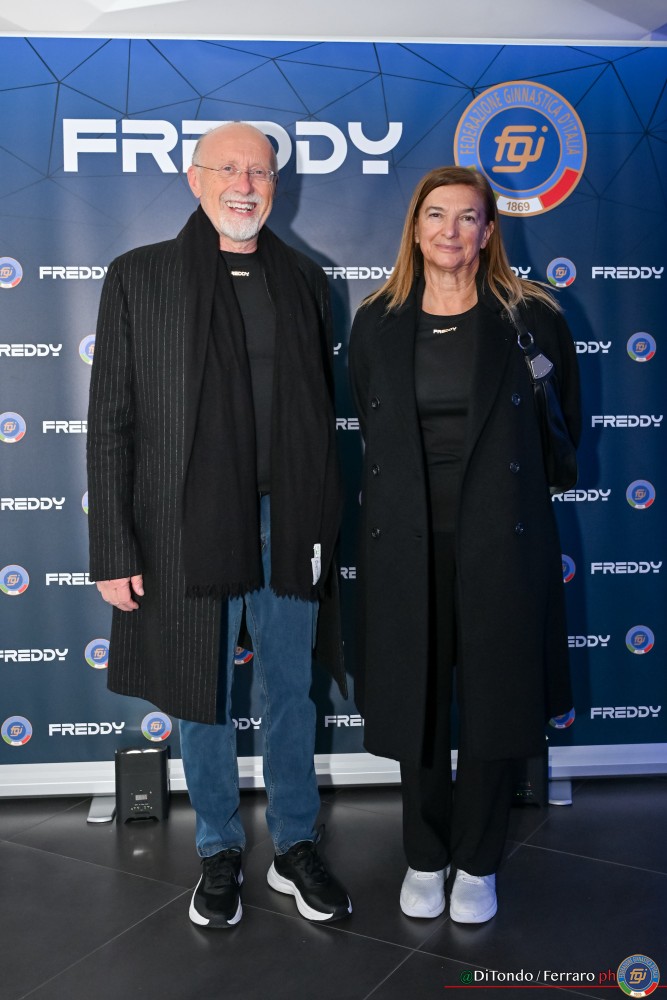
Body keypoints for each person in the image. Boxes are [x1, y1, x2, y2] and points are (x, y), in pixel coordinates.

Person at [88, 122, 351, 929]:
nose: (245, 185)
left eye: (260, 172)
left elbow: (320, 416)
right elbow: (111, 421)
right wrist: (112, 548)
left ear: (276, 184)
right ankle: (218, 849)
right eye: (228, 169)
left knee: (291, 690)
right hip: (184, 523)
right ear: (194, 178)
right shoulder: (139, 276)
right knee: (198, 689)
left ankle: (295, 844)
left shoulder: (304, 279)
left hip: (289, 518)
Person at [348, 166, 580, 924]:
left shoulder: (531, 315)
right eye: (436, 215)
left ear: (488, 232)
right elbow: (373, 429)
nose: (450, 230)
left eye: (467, 217)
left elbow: (563, 423)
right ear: (415, 229)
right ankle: (424, 853)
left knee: (495, 700)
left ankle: (477, 862)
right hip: (404, 543)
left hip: (502, 539)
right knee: (416, 700)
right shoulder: (377, 318)